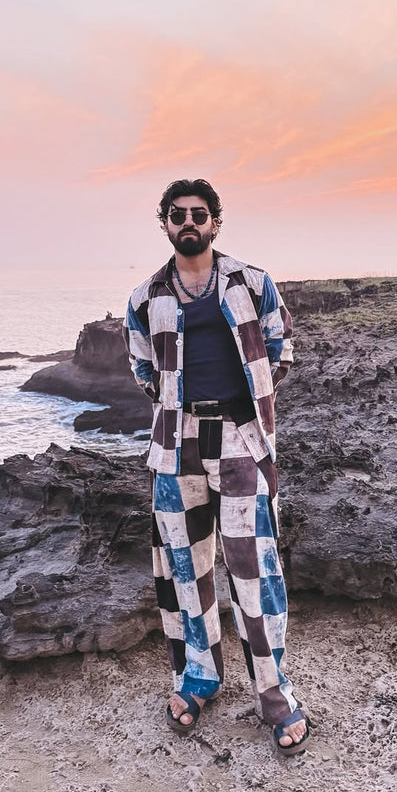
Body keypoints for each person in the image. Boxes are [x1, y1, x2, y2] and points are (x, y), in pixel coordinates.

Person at [123, 178, 310, 756]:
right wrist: (181, 405)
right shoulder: (143, 297)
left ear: (214, 222)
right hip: (176, 443)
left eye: (198, 215)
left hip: (238, 437)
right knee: (187, 568)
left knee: (254, 570)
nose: (188, 223)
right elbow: (141, 368)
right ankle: (201, 677)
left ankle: (273, 694)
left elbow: (281, 352)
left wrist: (247, 402)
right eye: (177, 215)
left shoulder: (253, 284)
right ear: (165, 223)